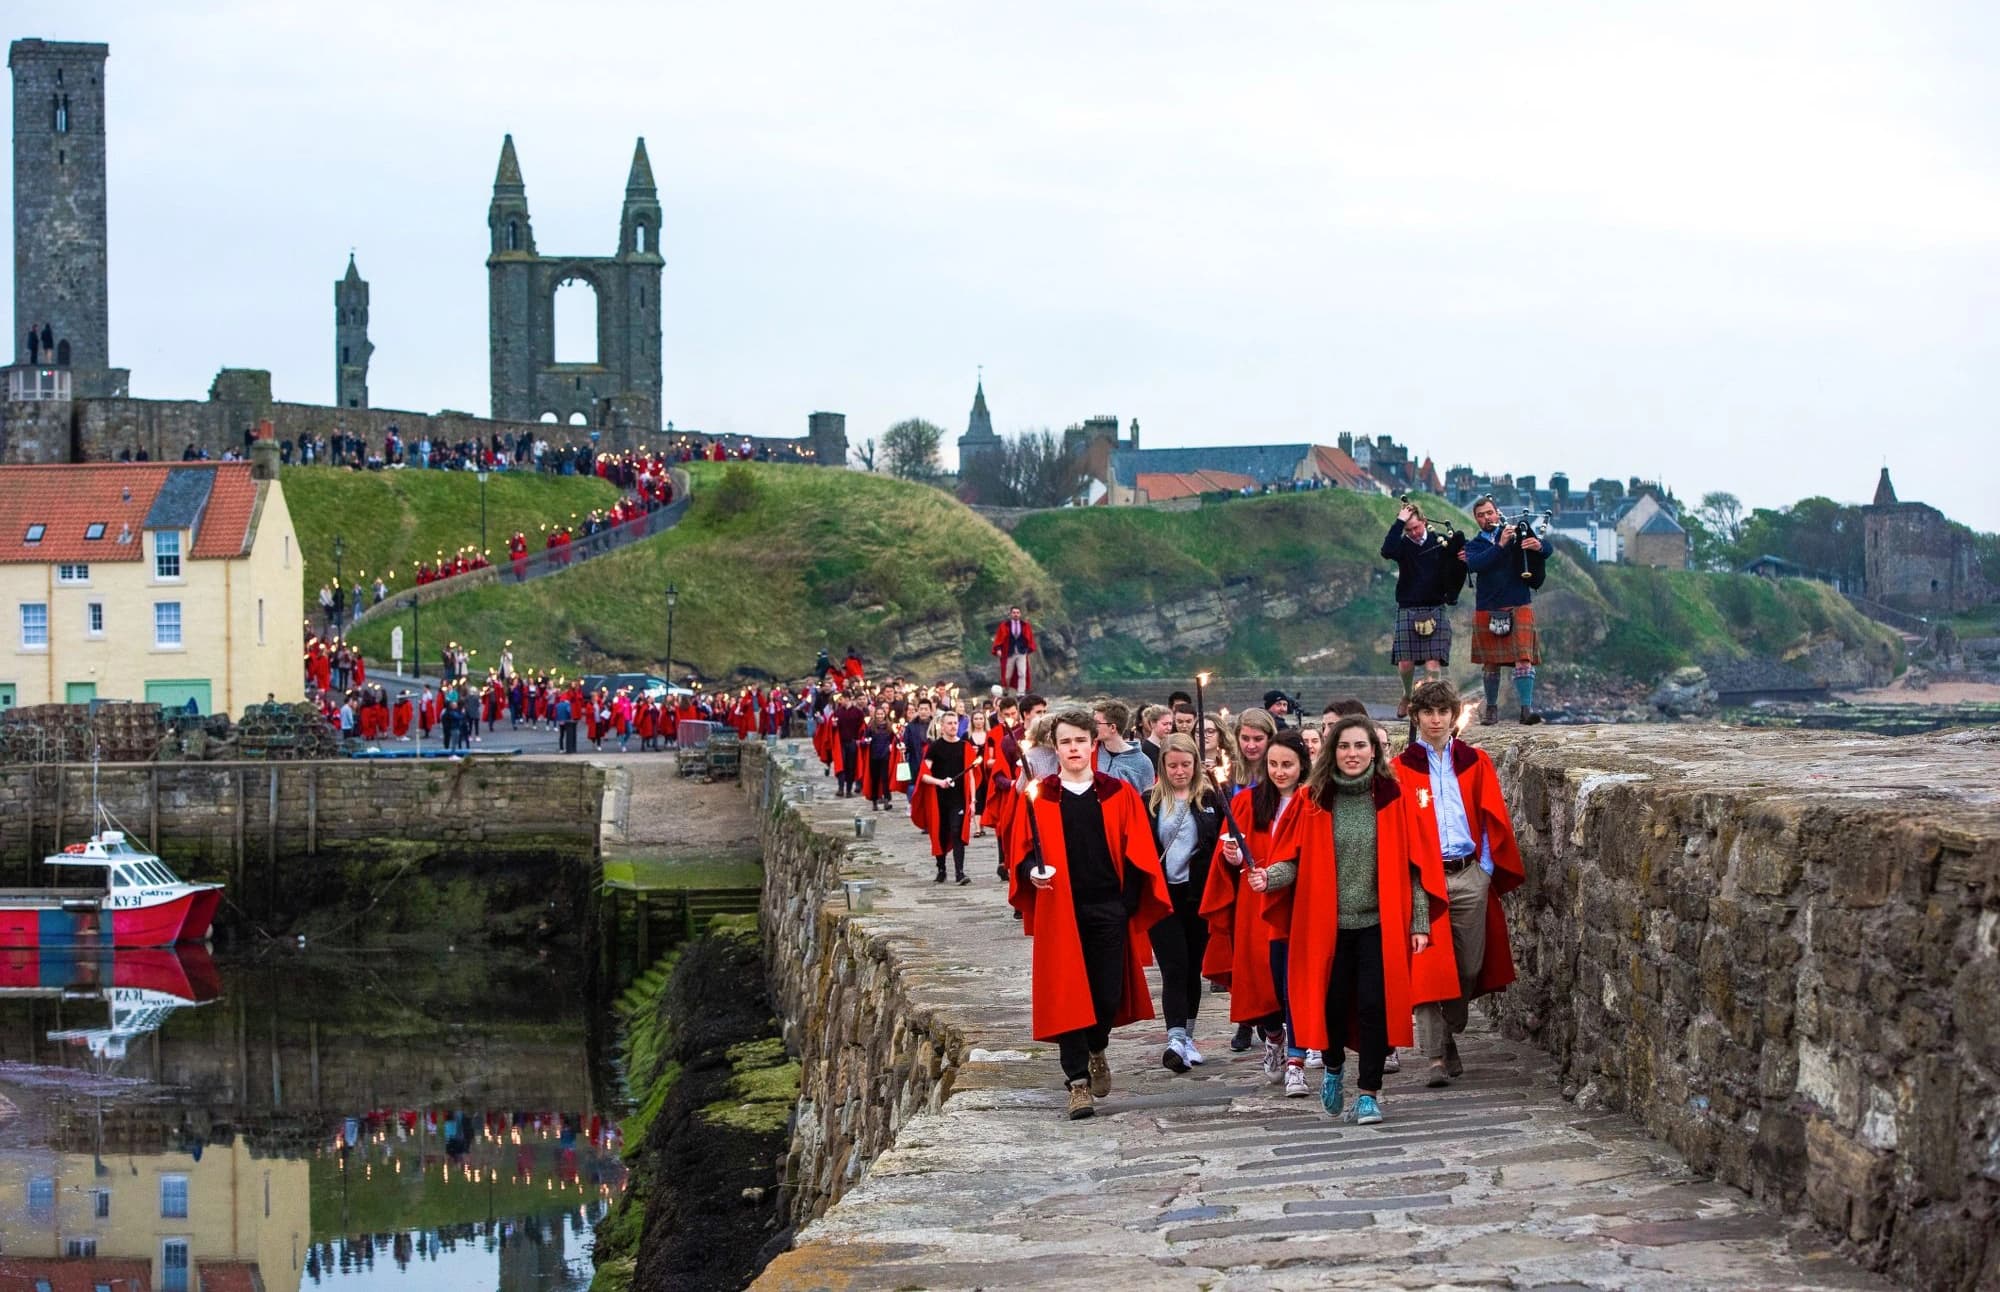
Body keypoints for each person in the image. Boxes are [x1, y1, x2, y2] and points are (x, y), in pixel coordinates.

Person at [1008, 707, 1171, 1120]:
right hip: (1061, 908)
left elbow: (1139, 854)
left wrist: (1127, 904)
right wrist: (1032, 873)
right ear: (1056, 747)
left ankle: (1097, 1044)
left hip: (1108, 907)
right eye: (1065, 742)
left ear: (1092, 743)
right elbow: (1023, 854)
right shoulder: (1040, 794)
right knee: (1067, 995)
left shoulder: (1117, 793)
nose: (1073, 748)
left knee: (1104, 995)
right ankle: (1076, 1082)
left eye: (1080, 740)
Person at [1284, 715, 1444, 1125]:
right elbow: (1292, 862)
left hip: (1379, 922)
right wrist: (1265, 877)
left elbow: (1413, 866)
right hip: (1329, 926)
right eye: (1344, 746)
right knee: (1333, 1007)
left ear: (1374, 750)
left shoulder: (1393, 797)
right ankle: (1334, 1066)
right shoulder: (1313, 799)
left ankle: (1369, 1092)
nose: (1352, 754)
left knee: (1375, 1006)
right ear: (1331, 751)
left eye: (1360, 746)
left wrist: (1420, 921)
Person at [1398, 680, 1526, 1085]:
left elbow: (1491, 815)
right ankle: (1435, 1056)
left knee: (1468, 966)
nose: (1435, 720)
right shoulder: (1401, 769)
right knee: (1427, 967)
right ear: (1416, 717)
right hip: (1424, 877)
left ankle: (1448, 1031)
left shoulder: (1475, 760)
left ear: (1454, 716)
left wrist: (1486, 869)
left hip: (1469, 872)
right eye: (1427, 713)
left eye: (1442, 713)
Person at [1198, 725, 1294, 1073]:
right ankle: (1274, 1036)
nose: (1280, 771)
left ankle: (1300, 1050)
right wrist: (1233, 856)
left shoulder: (1312, 800)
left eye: (1287, 764)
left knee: (1298, 977)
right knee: (1261, 976)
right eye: (1274, 765)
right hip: (1256, 901)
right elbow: (1230, 849)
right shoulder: (1246, 801)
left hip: (1300, 899)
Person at [1145, 733, 1226, 1073]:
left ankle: (1188, 1036)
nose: (1179, 771)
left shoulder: (1211, 798)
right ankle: (1175, 1038)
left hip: (1197, 892)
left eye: (1186, 765)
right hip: (1164, 895)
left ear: (1196, 765)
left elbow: (1223, 837)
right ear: (1163, 766)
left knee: (1193, 966)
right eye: (1172, 765)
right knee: (1174, 966)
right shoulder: (1148, 800)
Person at [1465, 495, 1546, 725]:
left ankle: (1526, 710)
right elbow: (1476, 564)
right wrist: (1500, 545)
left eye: (1489, 513)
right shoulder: (1473, 546)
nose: (1486, 518)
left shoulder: (1516, 533)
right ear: (1476, 520)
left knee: (1524, 659)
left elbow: (1546, 549)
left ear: (1497, 512)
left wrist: (1539, 545)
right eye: (1481, 516)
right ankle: (1491, 709)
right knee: (1490, 662)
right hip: (1487, 606)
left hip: (1518, 603)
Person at [1382, 500, 1464, 717]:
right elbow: (1386, 550)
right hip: (1408, 607)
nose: (1414, 533)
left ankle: (1428, 704)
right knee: (1405, 663)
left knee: (1432, 662)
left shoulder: (1440, 542)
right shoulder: (1402, 545)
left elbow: (1458, 565)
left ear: (1425, 522)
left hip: (1435, 606)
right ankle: (1407, 695)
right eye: (1408, 529)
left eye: (1416, 527)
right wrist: (1399, 522)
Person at [911, 713, 978, 885]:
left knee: (957, 832)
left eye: (955, 723)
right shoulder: (935, 747)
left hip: (959, 799)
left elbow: (971, 776)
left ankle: (960, 872)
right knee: (940, 834)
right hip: (939, 799)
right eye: (949, 723)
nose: (953, 726)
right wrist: (940, 782)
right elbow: (924, 776)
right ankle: (941, 868)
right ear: (942, 726)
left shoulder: (965, 746)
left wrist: (973, 800)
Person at [1092, 700, 1156, 794]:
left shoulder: (1143, 764)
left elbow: (1147, 802)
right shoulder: (1090, 752)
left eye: (1097, 723)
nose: (1092, 727)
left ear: (1113, 728)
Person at [990, 605, 1039, 692]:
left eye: (1017, 613)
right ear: (1011, 614)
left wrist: (1028, 649)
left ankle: (1021, 692)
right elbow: (999, 638)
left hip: (1021, 652)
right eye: (1014, 613)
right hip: (1009, 652)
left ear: (1020, 614)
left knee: (1022, 673)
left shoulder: (1025, 625)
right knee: (1008, 675)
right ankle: (1007, 689)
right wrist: (998, 649)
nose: (1016, 614)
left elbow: (1029, 638)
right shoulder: (1004, 626)